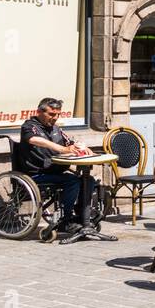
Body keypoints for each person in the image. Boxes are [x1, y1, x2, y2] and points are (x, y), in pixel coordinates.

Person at [19, 98, 91, 228]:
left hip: (56, 170)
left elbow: (70, 143)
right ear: (39, 112)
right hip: (37, 174)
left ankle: (82, 216)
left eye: (58, 114)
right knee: (73, 181)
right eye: (51, 114)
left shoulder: (56, 129)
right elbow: (34, 139)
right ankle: (65, 219)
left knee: (88, 180)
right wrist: (62, 149)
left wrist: (82, 148)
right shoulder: (29, 126)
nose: (55, 118)